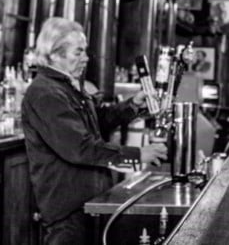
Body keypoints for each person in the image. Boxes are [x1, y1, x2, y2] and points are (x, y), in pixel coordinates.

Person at [21, 17, 168, 245]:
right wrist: (138, 155)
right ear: (54, 53)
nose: (86, 58)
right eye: (78, 52)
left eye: (85, 51)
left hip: (87, 202)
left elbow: (98, 120)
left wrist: (133, 105)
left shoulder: (67, 86)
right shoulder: (45, 93)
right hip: (67, 210)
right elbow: (79, 147)